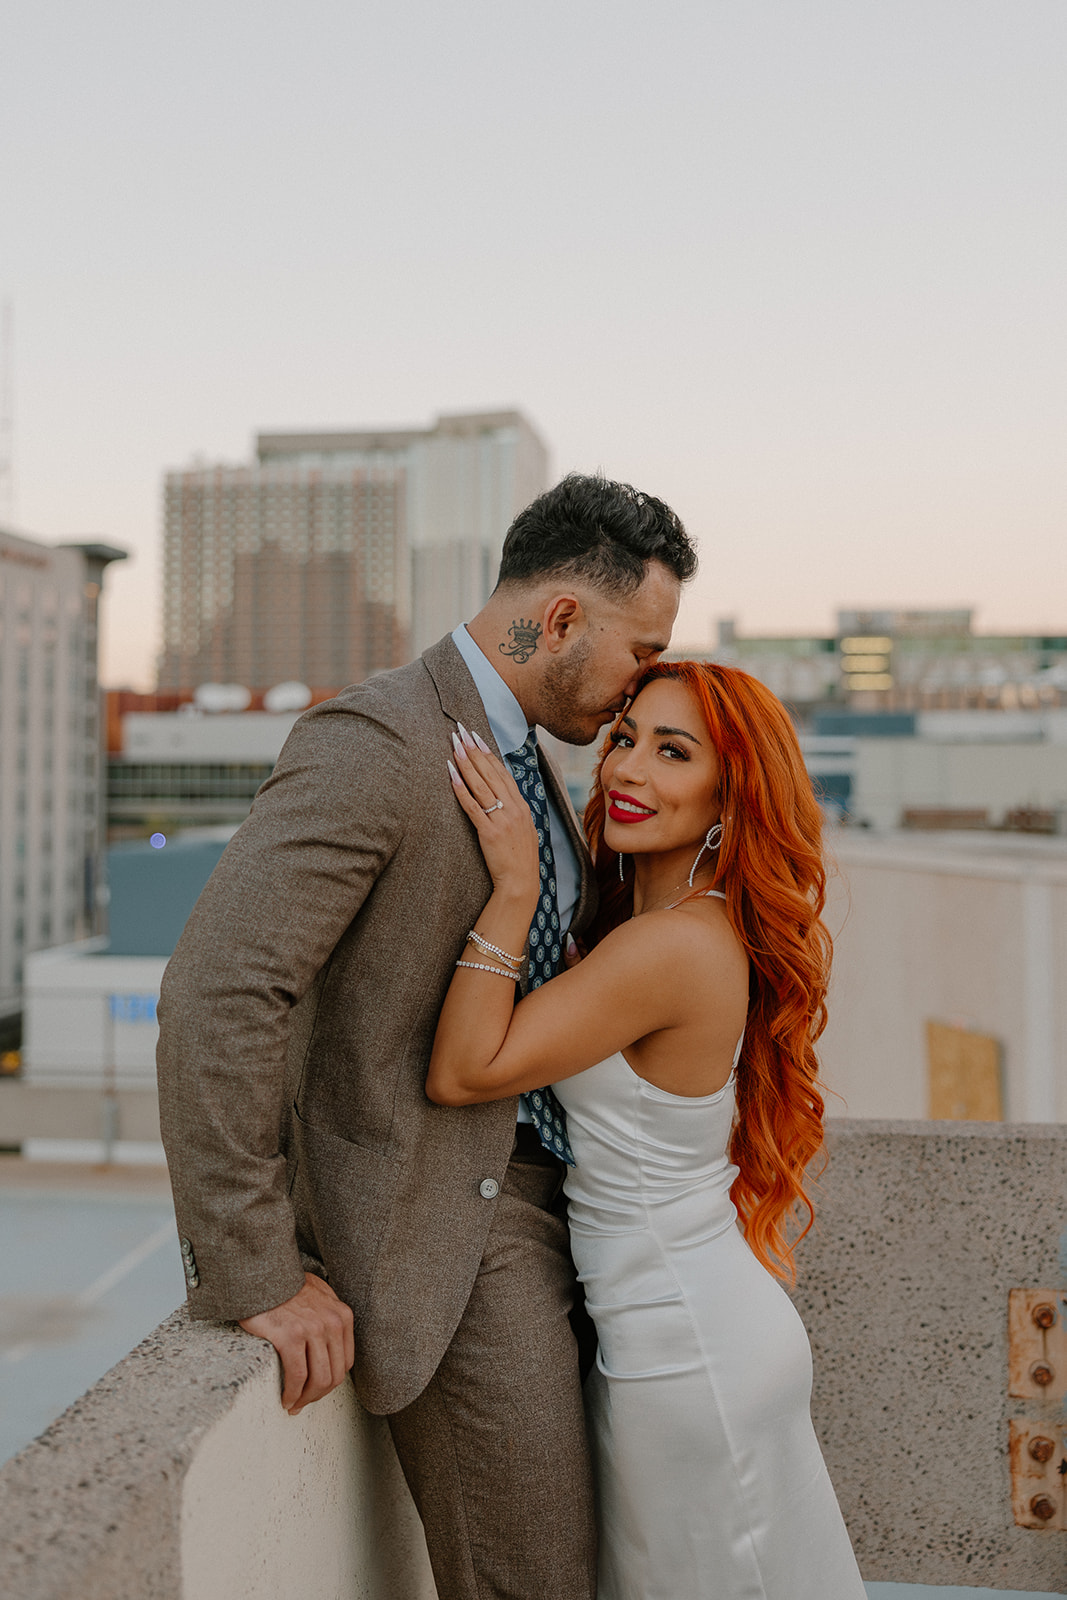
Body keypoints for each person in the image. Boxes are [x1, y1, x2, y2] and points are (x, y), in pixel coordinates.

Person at [156, 473, 697, 1600]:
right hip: (451, 1245)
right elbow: (220, 989)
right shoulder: (381, 739)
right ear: (557, 621)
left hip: (563, 1229)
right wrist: (254, 1266)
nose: (638, 682)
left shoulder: (531, 756)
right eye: (637, 652)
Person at [428, 660, 867, 1599]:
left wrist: (512, 887)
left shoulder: (671, 947)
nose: (628, 770)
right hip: (684, 1326)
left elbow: (464, 1070)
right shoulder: (658, 925)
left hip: (684, 1354)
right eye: (626, 739)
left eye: (673, 752)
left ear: (728, 794)